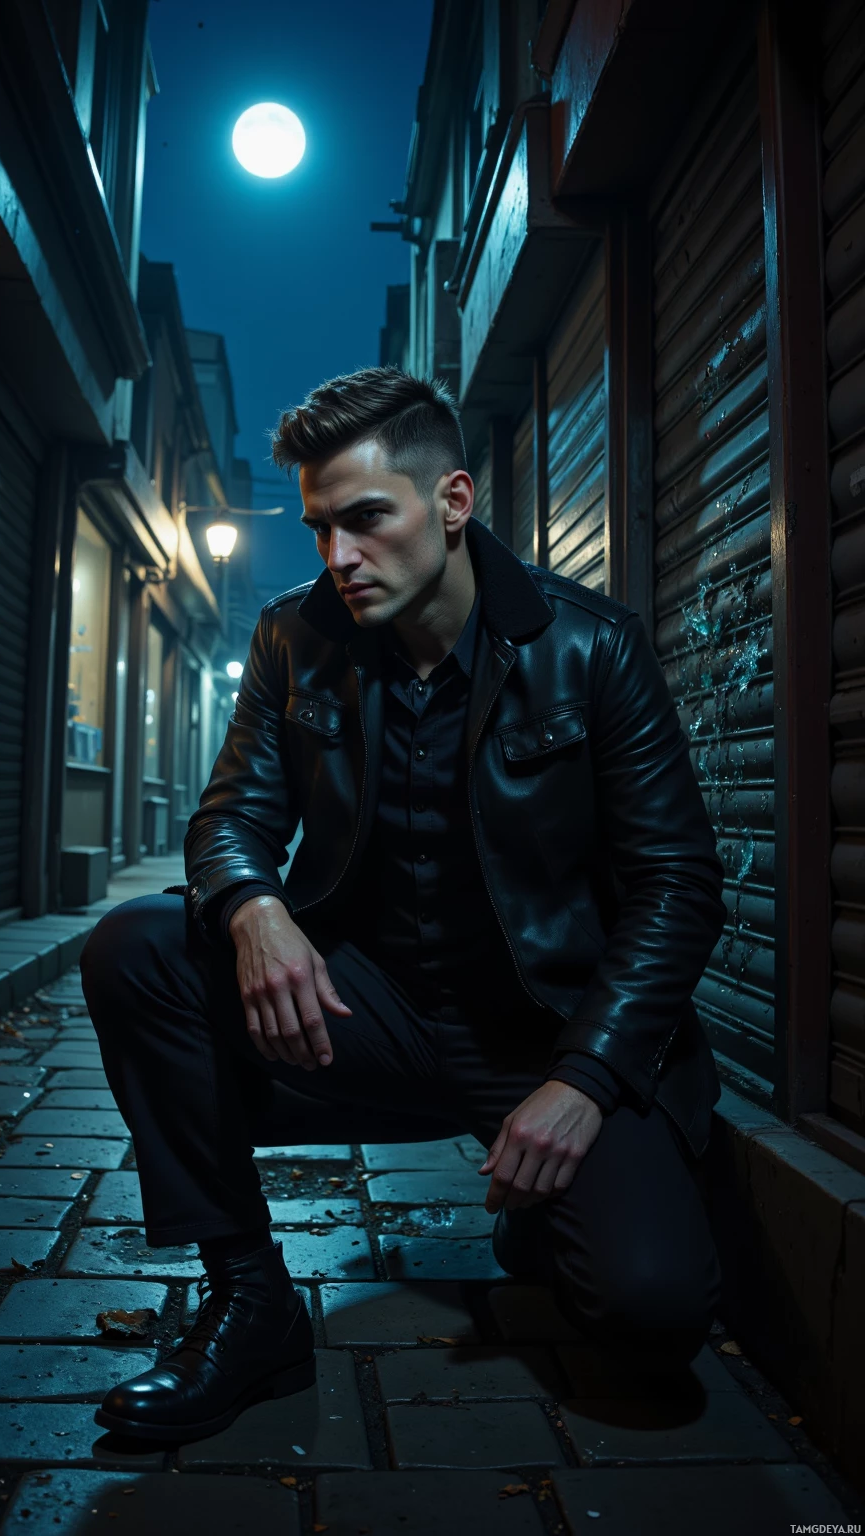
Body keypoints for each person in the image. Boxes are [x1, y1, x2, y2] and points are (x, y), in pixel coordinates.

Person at [81, 366, 726, 1445]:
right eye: (321, 528)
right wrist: (254, 909)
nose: (339, 557)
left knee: (652, 1316)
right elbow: (228, 819)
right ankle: (250, 1300)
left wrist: (586, 1078)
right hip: (363, 1018)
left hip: (545, 1035)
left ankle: (550, 1216)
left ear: (453, 502)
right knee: (138, 945)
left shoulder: (590, 647)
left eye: (367, 520)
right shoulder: (296, 640)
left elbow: (678, 884)